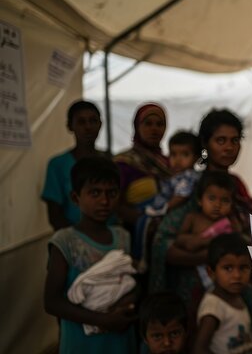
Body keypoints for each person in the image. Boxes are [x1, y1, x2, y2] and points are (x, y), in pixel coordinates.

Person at [149, 109, 252, 330]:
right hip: (194, 290)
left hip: (238, 288)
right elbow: (164, 246)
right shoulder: (191, 186)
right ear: (206, 145)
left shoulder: (237, 187)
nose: (229, 147)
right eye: (220, 140)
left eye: (234, 140)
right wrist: (213, 258)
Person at [44, 157, 137, 353]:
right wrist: (102, 320)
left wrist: (124, 306)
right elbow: (52, 302)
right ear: (76, 198)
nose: (104, 201)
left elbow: (133, 282)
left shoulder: (122, 237)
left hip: (119, 341)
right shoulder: (65, 241)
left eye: (111, 193)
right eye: (95, 193)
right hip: (82, 344)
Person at [114, 103, 171, 270]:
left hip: (167, 238)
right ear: (136, 126)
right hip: (135, 238)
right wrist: (145, 222)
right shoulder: (123, 163)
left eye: (159, 124)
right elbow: (115, 205)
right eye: (148, 123)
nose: (154, 129)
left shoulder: (170, 163)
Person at [193, 234, 252, 354]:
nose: (237, 275)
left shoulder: (240, 297)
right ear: (211, 272)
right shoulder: (213, 305)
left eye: (243, 268)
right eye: (228, 268)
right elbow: (199, 349)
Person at [42, 100, 105, 231]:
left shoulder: (111, 161)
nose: (88, 127)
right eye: (81, 122)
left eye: (93, 121)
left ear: (100, 124)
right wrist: (81, 240)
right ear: (70, 126)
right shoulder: (57, 165)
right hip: (72, 241)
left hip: (109, 239)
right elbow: (55, 216)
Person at [175, 171, 239, 290]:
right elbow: (179, 239)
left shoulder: (229, 225)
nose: (217, 205)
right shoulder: (192, 219)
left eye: (225, 201)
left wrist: (205, 241)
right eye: (212, 198)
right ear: (200, 200)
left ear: (232, 204)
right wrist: (194, 241)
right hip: (194, 276)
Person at [146, 131, 202, 216]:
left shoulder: (189, 176)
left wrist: (165, 208)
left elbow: (181, 195)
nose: (178, 160)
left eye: (185, 154)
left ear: (196, 157)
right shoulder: (173, 174)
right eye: (173, 154)